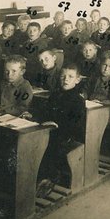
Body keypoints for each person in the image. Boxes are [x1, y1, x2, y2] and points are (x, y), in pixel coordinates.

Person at [35, 63, 86, 196]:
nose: (66, 79)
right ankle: (37, 177)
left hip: (68, 134)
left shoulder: (78, 100)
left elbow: (75, 124)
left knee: (50, 145)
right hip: (51, 130)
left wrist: (56, 126)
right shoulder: (55, 94)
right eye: (63, 76)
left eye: (70, 76)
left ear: (77, 80)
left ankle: (50, 177)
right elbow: (46, 113)